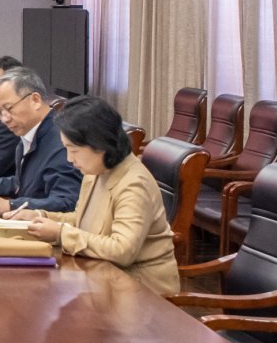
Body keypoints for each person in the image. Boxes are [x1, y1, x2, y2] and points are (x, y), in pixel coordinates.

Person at [14, 95, 180, 296]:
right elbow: (82, 220)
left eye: (73, 150)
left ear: (99, 145)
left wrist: (60, 233)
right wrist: (40, 216)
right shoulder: (96, 169)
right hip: (104, 279)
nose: (69, 159)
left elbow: (122, 250)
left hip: (141, 291)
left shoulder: (133, 183)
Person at [0, 67, 81, 215]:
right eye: (0, 111)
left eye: (9, 108)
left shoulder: (61, 141)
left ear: (35, 100)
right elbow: (19, 183)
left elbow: (67, 201)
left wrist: (11, 204)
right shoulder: (30, 133)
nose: (4, 119)